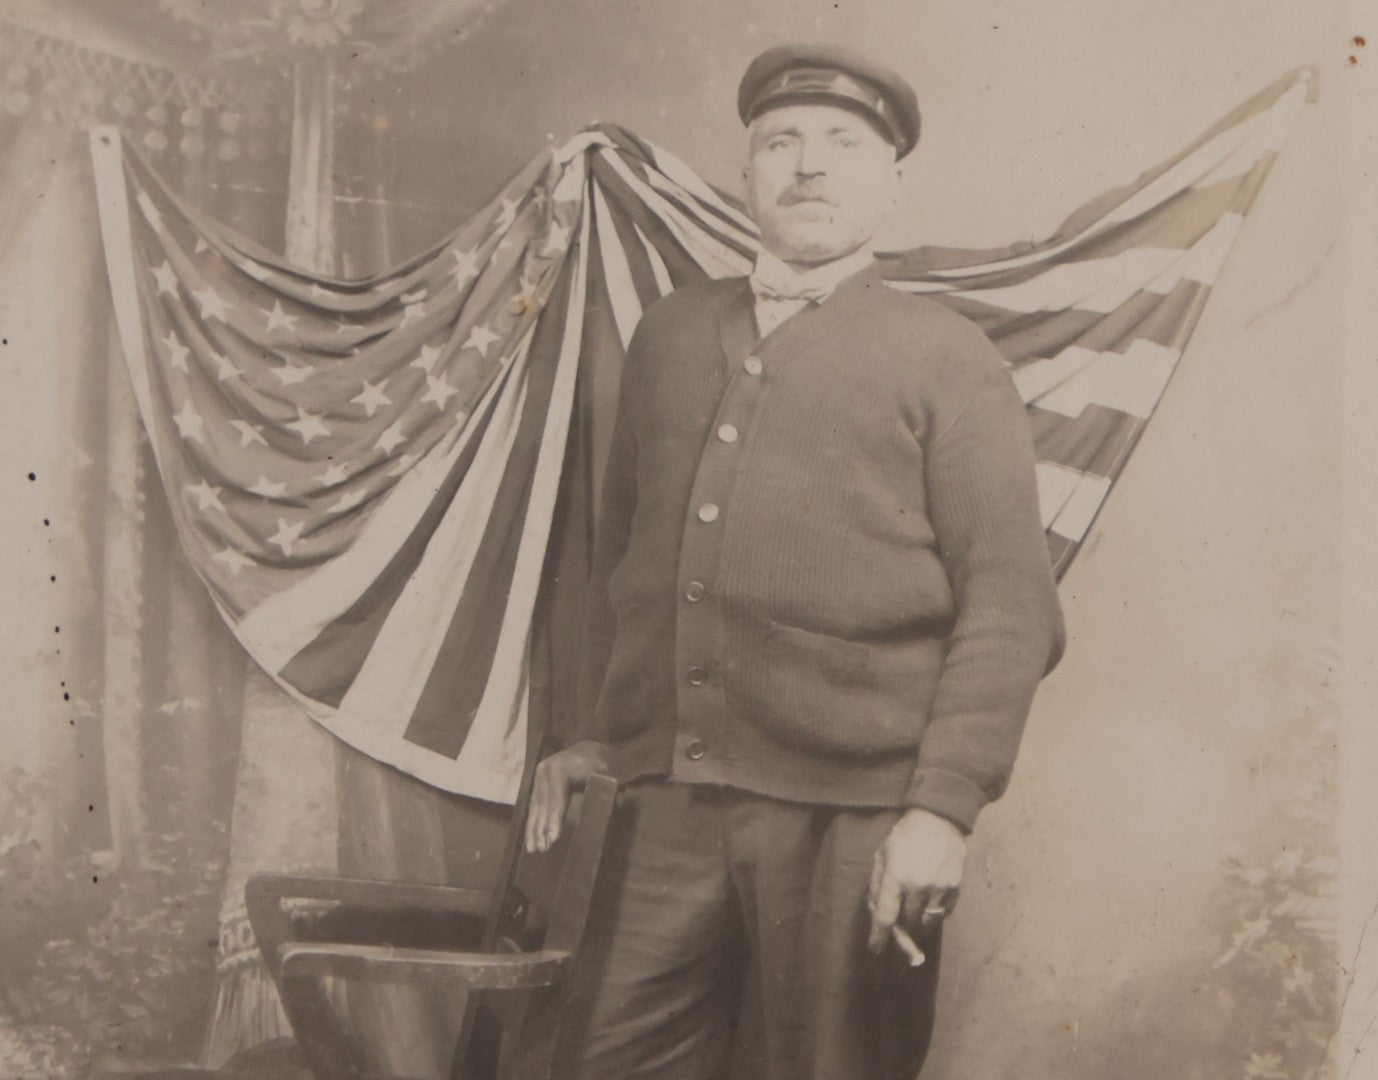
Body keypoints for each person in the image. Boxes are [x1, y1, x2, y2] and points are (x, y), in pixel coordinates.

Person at [525, 43, 1066, 1080]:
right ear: (746, 175)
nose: (807, 166)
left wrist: (939, 811)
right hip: (665, 800)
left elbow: (1011, 607)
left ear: (890, 180)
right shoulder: (670, 337)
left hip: (854, 817)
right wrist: (593, 733)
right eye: (781, 143)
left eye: (840, 144)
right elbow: (622, 559)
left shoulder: (946, 359)